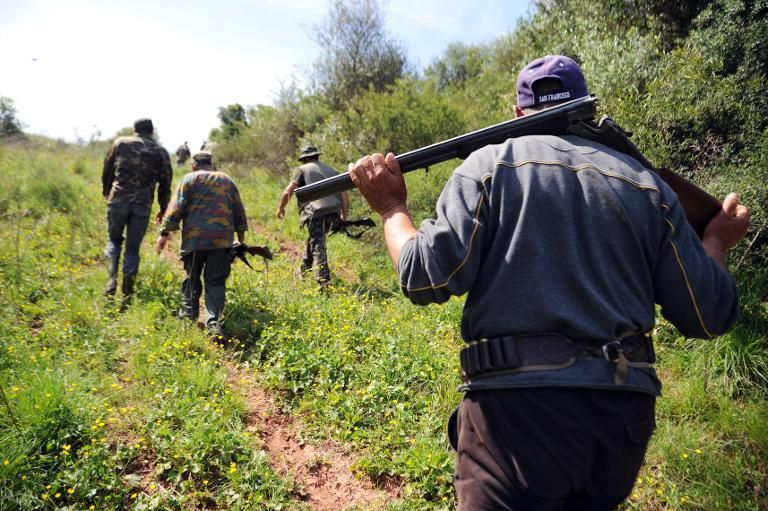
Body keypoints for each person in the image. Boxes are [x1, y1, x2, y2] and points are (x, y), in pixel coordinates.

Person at [348, 55, 750, 510]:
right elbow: (709, 314)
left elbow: (423, 276)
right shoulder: (647, 185)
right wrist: (716, 240)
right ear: (584, 106)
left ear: (517, 113)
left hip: (515, 420)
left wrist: (391, 209)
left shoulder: (488, 166)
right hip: (620, 426)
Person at [155, 150, 248, 337]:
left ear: (193, 165)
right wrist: (240, 237)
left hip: (194, 241)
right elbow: (238, 208)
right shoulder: (226, 180)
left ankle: (188, 317)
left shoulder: (189, 179)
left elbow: (176, 208)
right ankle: (213, 324)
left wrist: (164, 234)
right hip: (221, 241)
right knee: (215, 282)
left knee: (192, 278)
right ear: (211, 164)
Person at [102, 117, 173, 298]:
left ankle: (111, 280)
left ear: (135, 129)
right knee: (133, 248)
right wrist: (163, 208)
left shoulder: (120, 143)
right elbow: (165, 183)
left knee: (113, 241)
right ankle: (128, 288)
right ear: (152, 131)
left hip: (118, 200)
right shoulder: (160, 151)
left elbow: (107, 170)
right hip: (142, 204)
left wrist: (107, 193)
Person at [276, 145, 349, 287]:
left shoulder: (302, 170)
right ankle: (304, 269)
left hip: (316, 214)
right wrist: (344, 216)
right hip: (333, 213)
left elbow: (289, 191)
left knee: (318, 247)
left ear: (304, 159)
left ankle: (323, 282)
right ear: (317, 156)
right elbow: (344, 194)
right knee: (315, 239)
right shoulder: (332, 170)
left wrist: (281, 208)